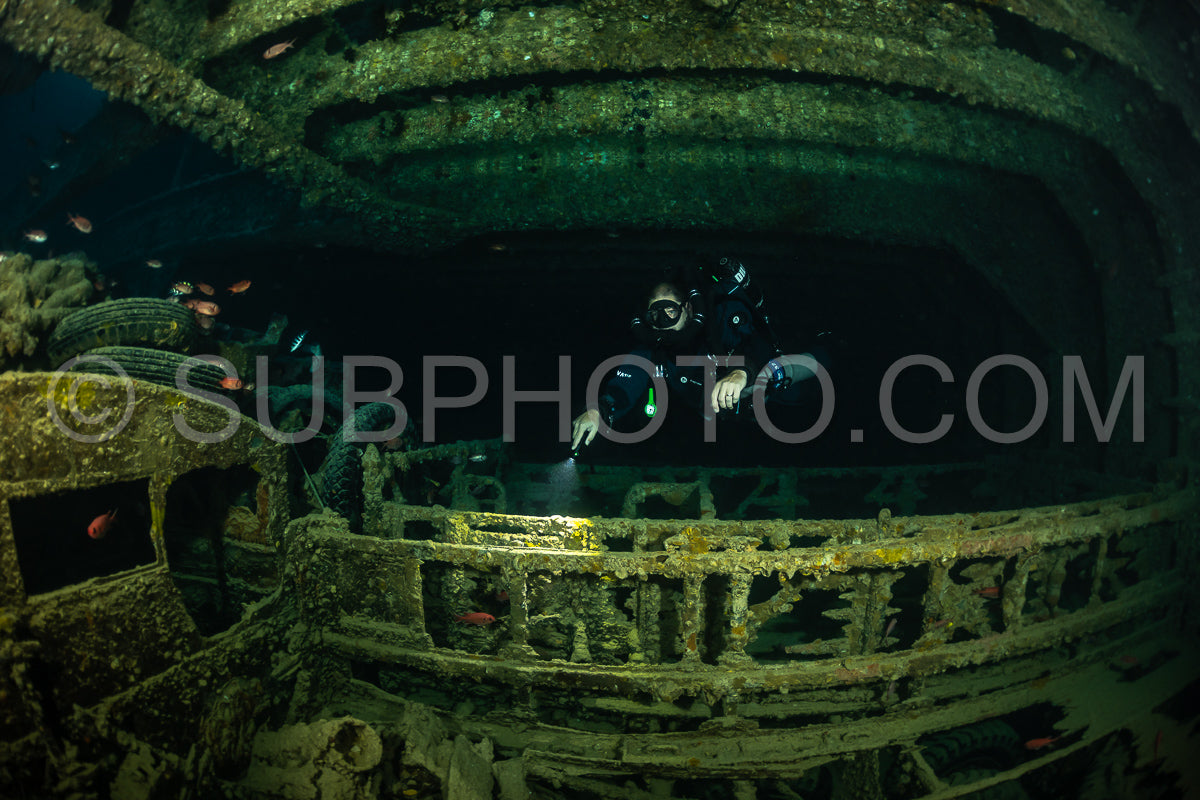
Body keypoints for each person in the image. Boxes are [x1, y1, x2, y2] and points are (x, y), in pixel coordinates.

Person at [571, 258, 829, 451]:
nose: (662, 321)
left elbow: (760, 344)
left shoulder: (722, 320)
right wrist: (600, 409)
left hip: (774, 399)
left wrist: (741, 372)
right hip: (720, 424)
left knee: (803, 379)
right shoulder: (654, 348)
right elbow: (630, 377)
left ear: (689, 308)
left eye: (669, 310)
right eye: (654, 314)